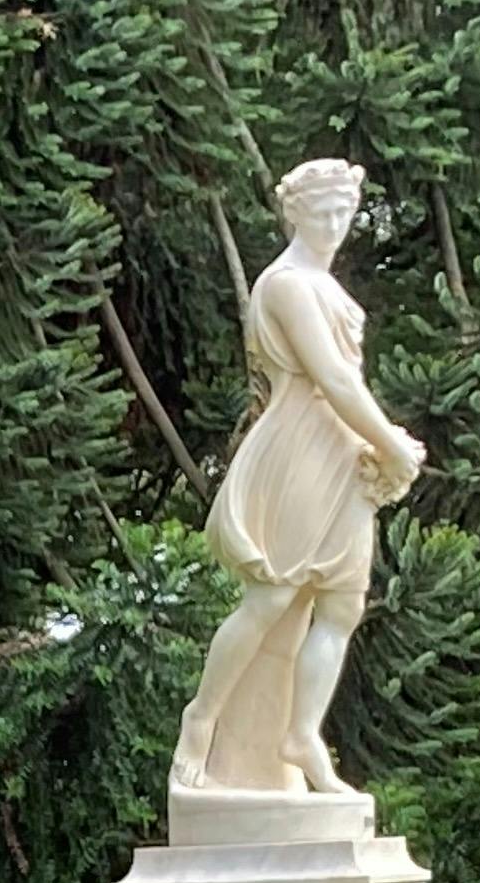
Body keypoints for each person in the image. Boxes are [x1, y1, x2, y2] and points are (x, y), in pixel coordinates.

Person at [169, 157, 427, 806]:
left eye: (344, 212)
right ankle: (201, 719)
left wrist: (380, 444)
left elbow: (349, 384)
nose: (335, 224)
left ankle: (301, 736)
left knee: (341, 605)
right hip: (300, 450)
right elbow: (332, 378)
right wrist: (390, 441)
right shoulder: (285, 285)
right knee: (272, 597)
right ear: (295, 215)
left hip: (342, 454)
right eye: (322, 213)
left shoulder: (325, 285)